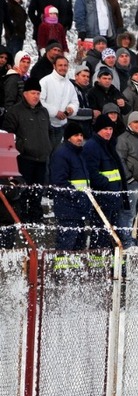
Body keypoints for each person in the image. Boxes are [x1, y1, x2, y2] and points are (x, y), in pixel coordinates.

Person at [2, 77, 51, 224]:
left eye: (38, 93)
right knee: (23, 190)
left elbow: (49, 131)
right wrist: (20, 148)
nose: (36, 96)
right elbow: (7, 135)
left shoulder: (44, 112)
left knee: (37, 191)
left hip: (42, 159)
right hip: (23, 159)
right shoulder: (14, 111)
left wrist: (48, 147)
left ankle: (36, 217)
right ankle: (21, 217)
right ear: (25, 94)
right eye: (33, 93)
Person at [82, 114, 129, 249]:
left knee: (112, 235)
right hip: (102, 199)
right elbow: (91, 172)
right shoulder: (92, 147)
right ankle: (98, 265)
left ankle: (110, 265)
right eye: (105, 129)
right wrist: (108, 185)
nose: (108, 132)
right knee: (101, 235)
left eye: (110, 129)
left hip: (113, 198)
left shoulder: (109, 145)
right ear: (98, 130)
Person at [48, 122, 95, 250]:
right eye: (76, 135)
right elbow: (59, 181)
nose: (80, 138)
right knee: (66, 244)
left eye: (81, 135)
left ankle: (75, 270)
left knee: (78, 244)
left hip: (79, 207)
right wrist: (77, 195)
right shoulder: (62, 153)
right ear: (68, 137)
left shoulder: (78, 153)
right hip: (68, 208)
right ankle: (61, 269)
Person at [116, 111, 138, 247]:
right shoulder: (123, 139)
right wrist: (129, 178)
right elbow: (121, 160)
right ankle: (125, 239)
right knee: (128, 212)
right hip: (132, 183)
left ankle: (130, 236)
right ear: (129, 123)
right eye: (136, 122)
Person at [39, 55, 79, 150]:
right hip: (46, 125)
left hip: (61, 126)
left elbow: (75, 102)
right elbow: (39, 101)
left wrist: (71, 109)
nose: (63, 68)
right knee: (46, 154)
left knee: (56, 155)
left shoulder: (69, 85)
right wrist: (55, 112)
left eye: (65, 65)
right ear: (54, 66)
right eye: (60, 65)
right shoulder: (45, 81)